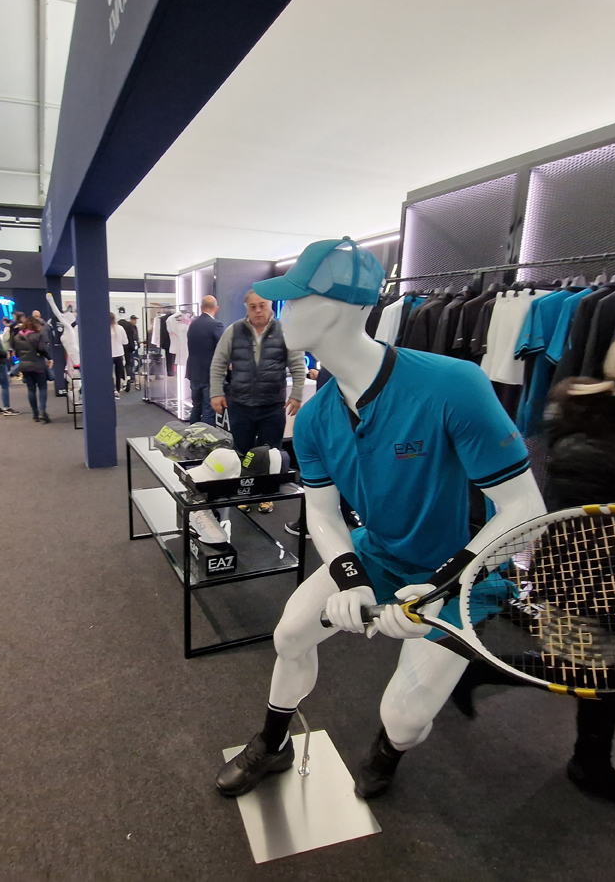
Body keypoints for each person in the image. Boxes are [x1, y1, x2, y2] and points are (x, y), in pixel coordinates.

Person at [214, 238, 545, 802]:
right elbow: (321, 511)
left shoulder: (452, 384)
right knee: (290, 633)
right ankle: (274, 743)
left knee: (405, 718)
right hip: (381, 552)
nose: (282, 311)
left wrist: (443, 588)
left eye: (296, 299)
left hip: (462, 570)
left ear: (342, 307)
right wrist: (350, 576)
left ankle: (389, 751)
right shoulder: (317, 415)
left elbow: (526, 511)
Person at [450, 324, 615, 815]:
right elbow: (594, 535)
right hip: (584, 579)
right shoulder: (600, 439)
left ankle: (591, 763)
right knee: (587, 667)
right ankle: (483, 672)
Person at [209, 290, 306, 513]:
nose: (258, 310)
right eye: (253, 306)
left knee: (271, 452)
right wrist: (216, 392)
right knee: (242, 452)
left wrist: (297, 394)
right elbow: (218, 363)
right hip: (240, 404)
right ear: (247, 308)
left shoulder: (285, 331)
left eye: (262, 305)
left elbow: (298, 365)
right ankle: (245, 493)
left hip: (272, 405)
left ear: (270, 305)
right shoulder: (234, 331)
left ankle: (266, 494)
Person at [185, 296, 224, 425]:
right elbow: (222, 349)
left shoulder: (193, 324)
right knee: (208, 410)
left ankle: (192, 437)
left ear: (201, 308)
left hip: (193, 372)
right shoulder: (216, 325)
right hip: (209, 374)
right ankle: (206, 441)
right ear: (216, 309)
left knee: (196, 407)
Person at [13, 316, 54, 422]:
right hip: (38, 365)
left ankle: (35, 414)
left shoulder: (17, 337)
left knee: (31, 390)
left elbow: (16, 353)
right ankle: (42, 411)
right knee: (42, 388)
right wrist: (49, 358)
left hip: (25, 366)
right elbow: (42, 349)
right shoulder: (37, 335)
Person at [110, 312, 128, 398]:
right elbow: (125, 342)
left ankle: (109, 390)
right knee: (118, 373)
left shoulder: (103, 329)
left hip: (108, 354)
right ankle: (117, 390)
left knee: (108, 374)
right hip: (119, 353)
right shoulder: (120, 328)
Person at [119, 314, 139, 388]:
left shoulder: (120, 326)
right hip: (127, 348)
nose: (135, 321)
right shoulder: (129, 326)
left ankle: (127, 377)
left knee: (128, 363)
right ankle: (128, 377)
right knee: (128, 363)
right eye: (134, 319)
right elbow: (130, 338)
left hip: (123, 348)